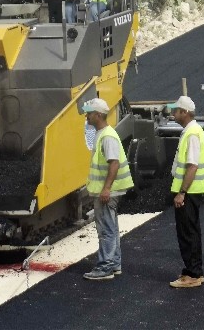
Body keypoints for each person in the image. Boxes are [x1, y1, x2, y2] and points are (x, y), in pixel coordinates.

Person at [81, 97, 134, 280]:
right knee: (110, 226)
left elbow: (114, 163)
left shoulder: (107, 136)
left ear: (98, 115)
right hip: (108, 190)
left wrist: (106, 189)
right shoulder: (102, 134)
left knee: (106, 229)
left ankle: (106, 267)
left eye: (89, 113)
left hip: (109, 191)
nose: (86, 116)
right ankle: (114, 264)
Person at [166, 96, 204, 288]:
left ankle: (193, 274)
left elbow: (192, 166)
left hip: (189, 191)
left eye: (175, 110)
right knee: (189, 230)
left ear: (184, 112)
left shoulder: (192, 134)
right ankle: (191, 270)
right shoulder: (191, 131)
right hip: (191, 191)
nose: (173, 114)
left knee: (188, 232)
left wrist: (182, 192)